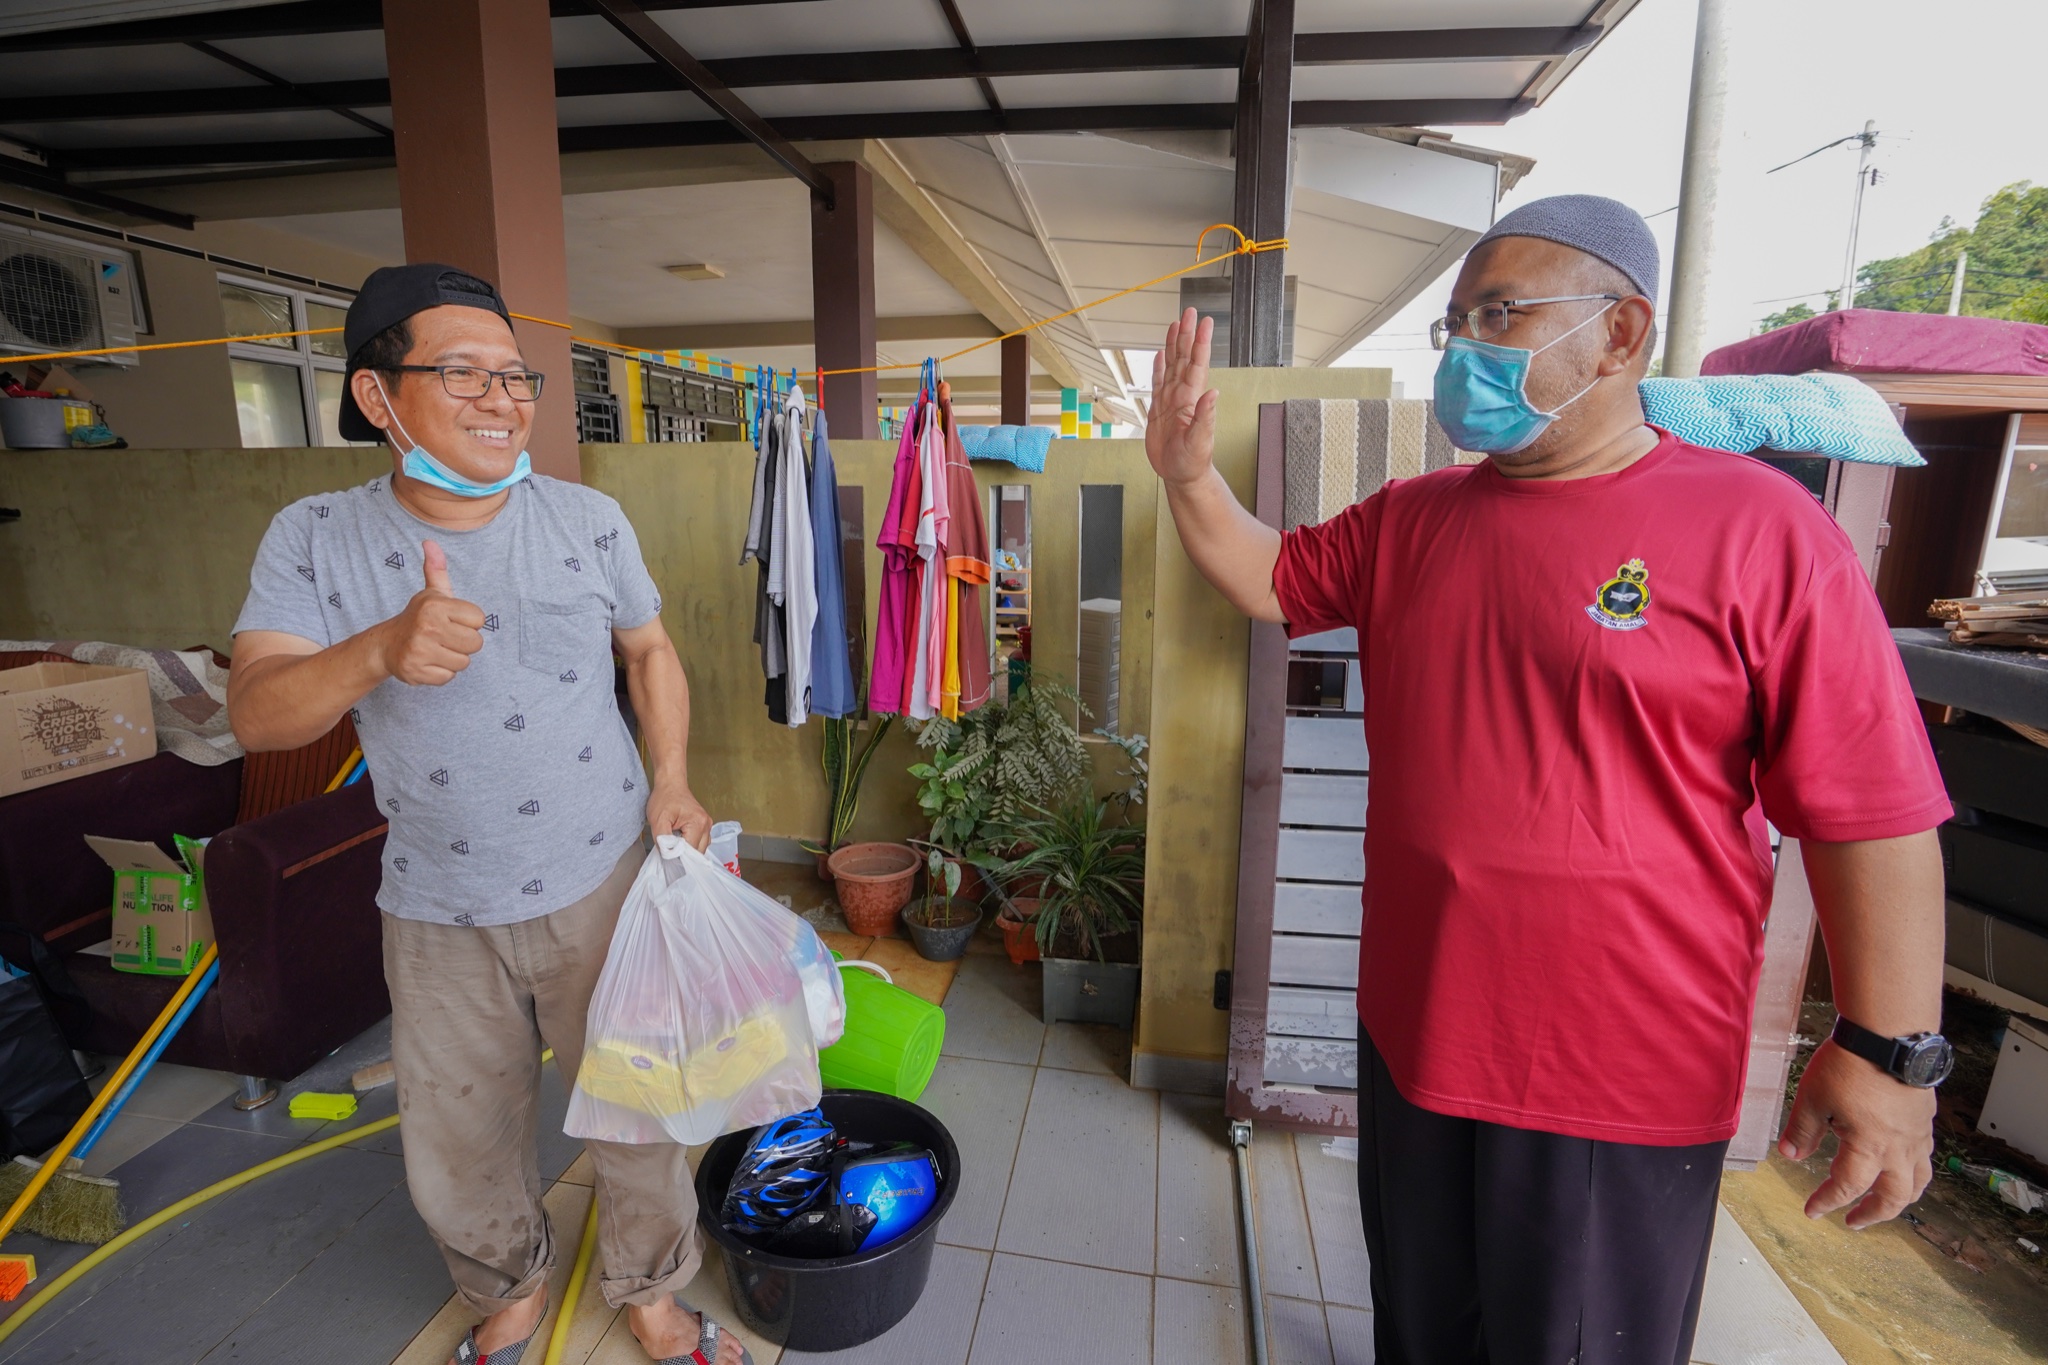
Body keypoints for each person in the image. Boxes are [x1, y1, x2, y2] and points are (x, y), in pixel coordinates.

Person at [1146, 196, 1954, 1365]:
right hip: (1416, 1035)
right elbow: (1272, 576)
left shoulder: (1759, 530)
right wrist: (1183, 477)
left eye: (1499, 313)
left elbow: (1870, 812)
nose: (1464, 346)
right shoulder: (1411, 521)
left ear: (1620, 334)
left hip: (1612, 1065)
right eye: (1453, 323)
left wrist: (1887, 1056)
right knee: (1420, 1332)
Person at [225, 264, 748, 1365]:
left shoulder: (587, 519)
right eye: (463, 373)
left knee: (641, 1113)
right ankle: (507, 1286)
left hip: (604, 875)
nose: (503, 400)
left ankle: (650, 1292)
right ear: (378, 397)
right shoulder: (313, 536)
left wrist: (673, 779)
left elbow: (647, 650)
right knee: (458, 1132)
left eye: (516, 377)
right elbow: (260, 717)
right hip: (434, 900)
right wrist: (379, 648)